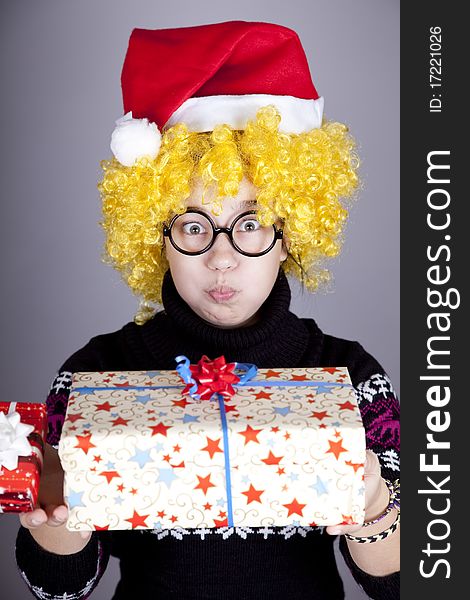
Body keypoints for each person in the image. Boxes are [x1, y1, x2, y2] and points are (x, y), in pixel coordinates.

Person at [15, 21, 400, 599]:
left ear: (290, 232)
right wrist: (57, 514)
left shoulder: (348, 376)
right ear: (154, 234)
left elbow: (405, 585)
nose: (222, 257)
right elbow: (58, 587)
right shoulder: (97, 374)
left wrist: (374, 508)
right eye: (193, 226)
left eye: (250, 224)